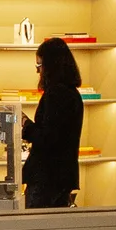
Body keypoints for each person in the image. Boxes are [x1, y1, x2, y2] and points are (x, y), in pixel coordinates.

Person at [22, 36, 83, 210]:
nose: (37, 71)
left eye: (39, 66)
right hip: (61, 177)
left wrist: (25, 124)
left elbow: (47, 138)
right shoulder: (72, 94)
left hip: (47, 178)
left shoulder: (56, 95)